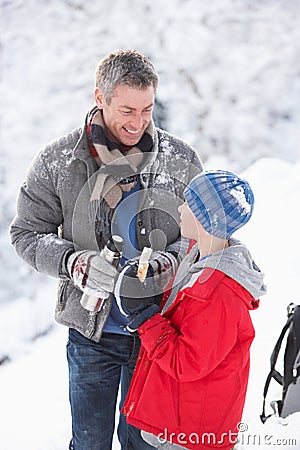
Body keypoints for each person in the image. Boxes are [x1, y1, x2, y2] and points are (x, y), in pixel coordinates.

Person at [9, 49, 202, 450]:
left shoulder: (180, 158)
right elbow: (27, 233)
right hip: (91, 334)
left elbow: (200, 232)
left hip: (159, 333)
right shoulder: (58, 162)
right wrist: (72, 262)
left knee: (145, 443)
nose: (138, 122)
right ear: (100, 98)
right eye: (127, 110)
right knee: (90, 443)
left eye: (147, 110)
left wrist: (175, 259)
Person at [118, 170, 267, 450]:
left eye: (188, 202)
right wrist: (153, 290)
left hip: (191, 434)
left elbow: (188, 362)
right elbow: (185, 318)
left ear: (204, 217)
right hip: (179, 417)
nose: (180, 208)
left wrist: (145, 319)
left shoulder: (220, 290)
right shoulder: (199, 258)